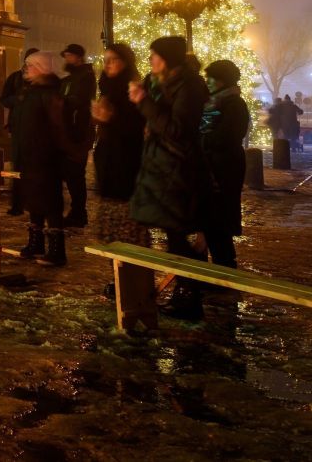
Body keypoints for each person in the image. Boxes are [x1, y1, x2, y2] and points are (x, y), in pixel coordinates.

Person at [128, 35, 211, 321]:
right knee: (173, 234)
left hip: (178, 171)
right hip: (163, 170)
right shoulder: (163, 84)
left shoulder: (188, 86)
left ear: (167, 59)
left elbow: (177, 129)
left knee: (176, 234)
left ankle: (190, 293)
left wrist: (144, 103)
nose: (150, 60)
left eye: (154, 55)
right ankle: (187, 290)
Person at [91, 43, 149, 293]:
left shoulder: (132, 89)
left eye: (114, 59)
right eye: (106, 59)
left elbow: (136, 129)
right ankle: (119, 277)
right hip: (109, 167)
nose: (108, 64)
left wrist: (109, 119)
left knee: (129, 230)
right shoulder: (106, 88)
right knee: (114, 232)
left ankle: (133, 282)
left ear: (125, 62)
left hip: (126, 167)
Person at [13, 51, 71, 267]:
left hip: (45, 157)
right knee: (33, 201)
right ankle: (35, 243)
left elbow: (57, 127)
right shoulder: (30, 91)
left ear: (42, 68)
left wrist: (52, 152)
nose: (27, 68)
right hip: (30, 155)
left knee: (50, 203)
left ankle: (57, 250)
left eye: (31, 65)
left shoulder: (50, 93)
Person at [201, 59, 249, 270]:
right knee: (212, 220)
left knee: (220, 221)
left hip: (225, 168)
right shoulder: (214, 102)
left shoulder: (234, 104)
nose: (208, 81)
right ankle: (219, 269)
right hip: (213, 166)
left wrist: (201, 140)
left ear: (223, 80)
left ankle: (226, 268)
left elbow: (229, 136)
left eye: (213, 77)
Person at [59, 43, 96, 228]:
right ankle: (76, 210)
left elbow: (80, 101)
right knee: (71, 174)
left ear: (78, 57)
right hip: (69, 133)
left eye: (69, 55)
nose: (66, 59)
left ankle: (79, 212)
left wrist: (64, 102)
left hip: (79, 133)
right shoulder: (69, 78)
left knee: (76, 175)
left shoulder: (85, 77)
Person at [0, 47, 39, 215]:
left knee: (34, 167)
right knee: (18, 166)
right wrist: (17, 100)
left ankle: (32, 202)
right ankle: (17, 204)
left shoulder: (42, 79)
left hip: (37, 130)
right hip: (18, 128)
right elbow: (4, 99)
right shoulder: (15, 78)